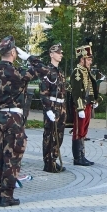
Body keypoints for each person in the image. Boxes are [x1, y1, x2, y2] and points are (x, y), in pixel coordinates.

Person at [0, 36, 48, 207]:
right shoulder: (17, 73)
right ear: (12, 52)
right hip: (13, 120)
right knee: (12, 158)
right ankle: (7, 196)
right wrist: (28, 57)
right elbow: (43, 69)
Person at [40, 43, 66, 173]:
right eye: (58, 52)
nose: (61, 54)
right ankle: (48, 163)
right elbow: (43, 92)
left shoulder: (60, 72)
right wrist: (48, 109)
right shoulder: (47, 71)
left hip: (61, 106)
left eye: (61, 53)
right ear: (51, 54)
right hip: (52, 106)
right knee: (49, 135)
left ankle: (54, 159)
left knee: (59, 135)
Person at [70, 44, 97, 166]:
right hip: (80, 106)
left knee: (84, 131)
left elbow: (90, 89)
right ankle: (77, 158)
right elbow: (76, 92)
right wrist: (80, 107)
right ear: (82, 59)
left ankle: (82, 156)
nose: (90, 62)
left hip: (87, 105)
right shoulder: (77, 72)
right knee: (78, 131)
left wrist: (94, 101)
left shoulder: (87, 72)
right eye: (89, 59)